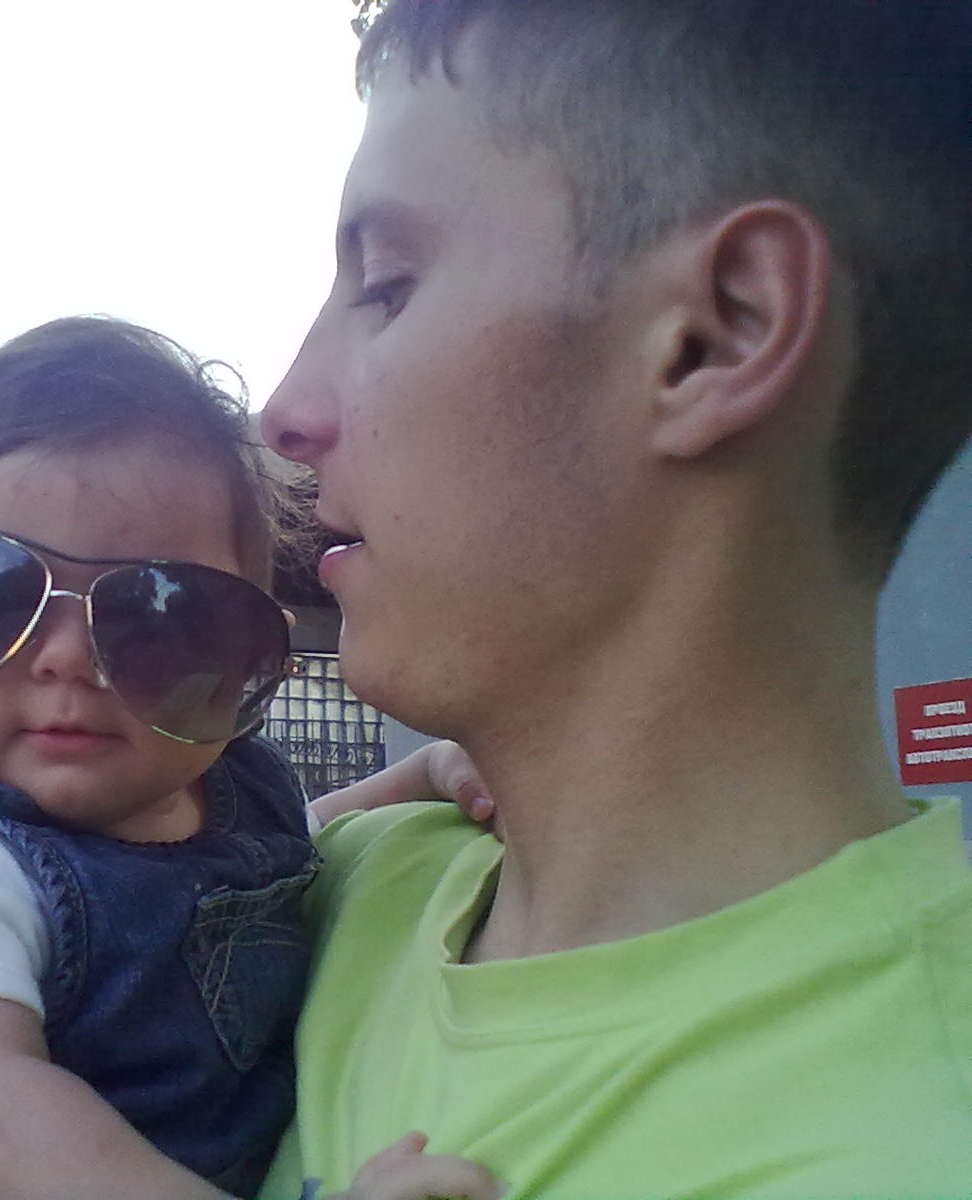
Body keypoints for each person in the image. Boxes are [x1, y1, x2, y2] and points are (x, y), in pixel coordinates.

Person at [251, 1, 972, 1197]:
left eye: (384, 286)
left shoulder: (912, 1146)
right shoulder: (321, 902)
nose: (284, 409)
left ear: (715, 335)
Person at [0, 315, 499, 1200]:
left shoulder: (226, 790)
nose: (65, 658)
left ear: (249, 653)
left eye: (159, 615)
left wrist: (421, 775)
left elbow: (282, 859)